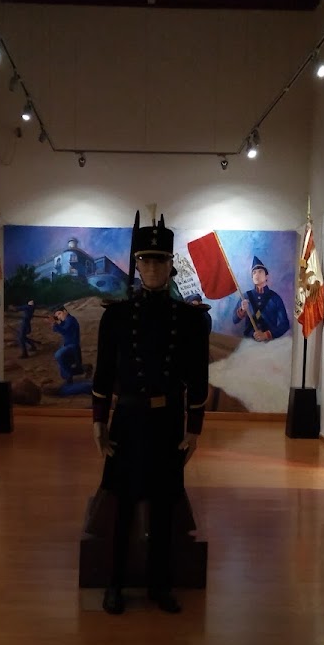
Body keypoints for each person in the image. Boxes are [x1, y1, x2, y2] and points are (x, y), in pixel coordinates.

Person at [91, 213, 210, 615]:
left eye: (160, 260)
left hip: (167, 422)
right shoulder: (115, 317)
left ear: (170, 265)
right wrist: (98, 421)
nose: (154, 268)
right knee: (122, 505)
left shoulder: (190, 320)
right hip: (127, 422)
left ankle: (160, 586)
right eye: (146, 260)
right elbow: (103, 374)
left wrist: (194, 429)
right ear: (137, 265)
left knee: (164, 506)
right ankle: (115, 585)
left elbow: (198, 378)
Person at [232, 257, 290, 341]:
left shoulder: (275, 298)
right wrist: (242, 310)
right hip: (249, 341)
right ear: (252, 277)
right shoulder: (245, 296)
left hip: (269, 343)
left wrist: (266, 335)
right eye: (254, 272)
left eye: (260, 271)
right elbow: (234, 320)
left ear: (266, 276)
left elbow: (284, 324)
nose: (256, 275)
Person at [51, 305, 83, 383]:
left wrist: (55, 324)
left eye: (59, 313)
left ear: (65, 311)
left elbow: (64, 331)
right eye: (57, 316)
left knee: (58, 355)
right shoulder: (66, 321)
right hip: (68, 345)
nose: (59, 316)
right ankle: (79, 370)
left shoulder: (70, 320)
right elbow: (55, 330)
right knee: (63, 368)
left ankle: (70, 376)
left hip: (72, 346)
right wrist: (55, 323)